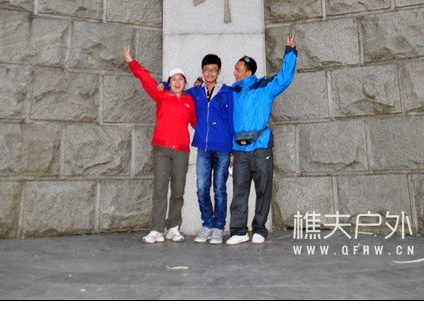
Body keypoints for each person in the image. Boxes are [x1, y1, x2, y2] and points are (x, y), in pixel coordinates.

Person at [226, 32, 297, 246]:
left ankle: (259, 228)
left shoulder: (265, 86)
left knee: (263, 188)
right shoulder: (232, 91)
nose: (234, 72)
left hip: (261, 146)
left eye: (238, 69)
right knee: (239, 189)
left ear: (248, 71)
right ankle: (238, 230)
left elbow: (285, 77)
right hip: (239, 149)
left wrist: (290, 51)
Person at [123, 45, 196, 244]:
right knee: (160, 189)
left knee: (178, 191)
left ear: (184, 83)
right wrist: (131, 61)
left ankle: (173, 227)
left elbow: (197, 123)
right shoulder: (161, 96)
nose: (177, 82)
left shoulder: (190, 101)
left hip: (181, 151)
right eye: (174, 79)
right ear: (169, 83)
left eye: (181, 79)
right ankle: (156, 229)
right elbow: (146, 79)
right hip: (162, 150)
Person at [190, 54, 234, 245]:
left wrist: (233, 149)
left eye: (214, 70)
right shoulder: (195, 92)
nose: (210, 73)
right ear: (202, 71)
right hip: (203, 147)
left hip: (223, 147)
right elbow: (176, 89)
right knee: (202, 188)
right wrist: (164, 84)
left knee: (219, 189)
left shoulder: (227, 91)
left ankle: (218, 227)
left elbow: (232, 119)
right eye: (207, 70)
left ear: (219, 72)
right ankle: (207, 224)